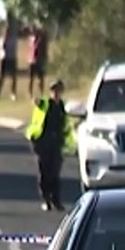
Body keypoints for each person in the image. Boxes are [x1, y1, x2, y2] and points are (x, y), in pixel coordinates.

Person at [25, 79, 75, 211]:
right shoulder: (46, 104)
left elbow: (66, 126)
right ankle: (46, 199)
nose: (56, 93)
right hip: (43, 143)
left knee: (55, 173)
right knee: (44, 172)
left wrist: (69, 144)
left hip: (56, 144)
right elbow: (38, 103)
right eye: (53, 90)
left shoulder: (62, 107)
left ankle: (56, 200)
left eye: (58, 90)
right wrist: (35, 101)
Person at [0, 20, 19, 100]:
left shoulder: (13, 39)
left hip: (12, 58)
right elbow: (2, 48)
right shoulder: (1, 40)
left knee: (13, 77)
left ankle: (13, 93)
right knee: (2, 76)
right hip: (4, 59)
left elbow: (13, 49)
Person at [27, 25, 49, 98]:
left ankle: (41, 92)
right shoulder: (32, 39)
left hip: (40, 60)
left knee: (41, 78)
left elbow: (44, 49)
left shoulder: (42, 39)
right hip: (33, 60)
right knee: (31, 78)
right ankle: (30, 93)